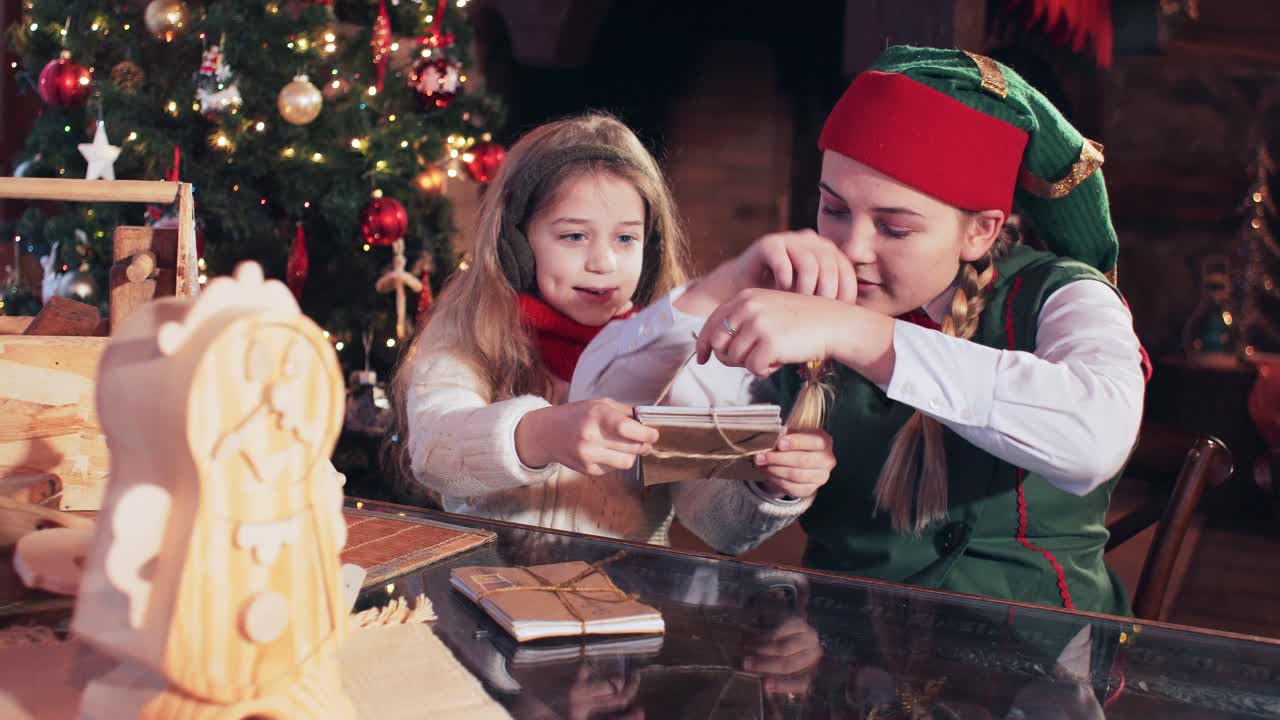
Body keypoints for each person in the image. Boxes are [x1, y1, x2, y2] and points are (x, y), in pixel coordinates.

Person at [574, 47, 1146, 614]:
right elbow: (687, 489)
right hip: (839, 654)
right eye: (835, 210)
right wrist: (720, 288)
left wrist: (857, 333)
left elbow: (1095, 441)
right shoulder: (800, 302)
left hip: (1033, 669)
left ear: (981, 230)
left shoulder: (1066, 295)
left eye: (894, 228)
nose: (852, 249)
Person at [389, 112, 835, 551]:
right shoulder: (466, 331)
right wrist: (543, 434)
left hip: (621, 598)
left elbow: (717, 525)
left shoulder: (681, 354)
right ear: (517, 244)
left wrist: (773, 485)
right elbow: (434, 452)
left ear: (651, 245)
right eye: (574, 237)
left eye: (625, 239)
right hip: (479, 591)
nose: (603, 263)